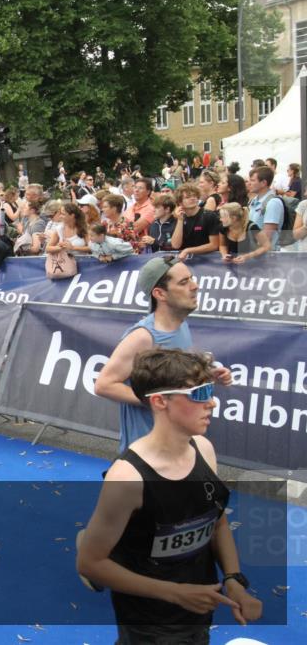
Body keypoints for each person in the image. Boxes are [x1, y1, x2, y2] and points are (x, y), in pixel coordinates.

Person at [78, 349, 262, 644]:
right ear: (160, 401)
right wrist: (175, 593)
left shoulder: (204, 449)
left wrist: (233, 579)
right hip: (148, 622)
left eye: (210, 390)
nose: (212, 402)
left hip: (199, 604)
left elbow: (216, 524)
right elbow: (89, 564)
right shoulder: (127, 478)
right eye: (200, 393)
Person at [95, 256, 232, 453]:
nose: (195, 286)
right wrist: (162, 399)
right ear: (160, 293)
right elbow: (104, 385)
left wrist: (207, 377)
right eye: (184, 282)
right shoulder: (143, 337)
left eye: (191, 278)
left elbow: (171, 377)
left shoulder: (181, 325)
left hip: (176, 444)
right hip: (147, 452)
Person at [169, 183, 221, 259]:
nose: (193, 198)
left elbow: (214, 245)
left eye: (194, 196)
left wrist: (188, 250)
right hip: (187, 259)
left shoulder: (209, 216)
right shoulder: (179, 217)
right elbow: (176, 245)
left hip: (208, 259)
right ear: (180, 202)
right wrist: (180, 220)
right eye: (187, 197)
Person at [247, 165, 286, 250]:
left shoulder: (273, 203)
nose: (249, 183)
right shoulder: (253, 201)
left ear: (264, 183)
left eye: (252, 180)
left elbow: (266, 237)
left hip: (266, 256)